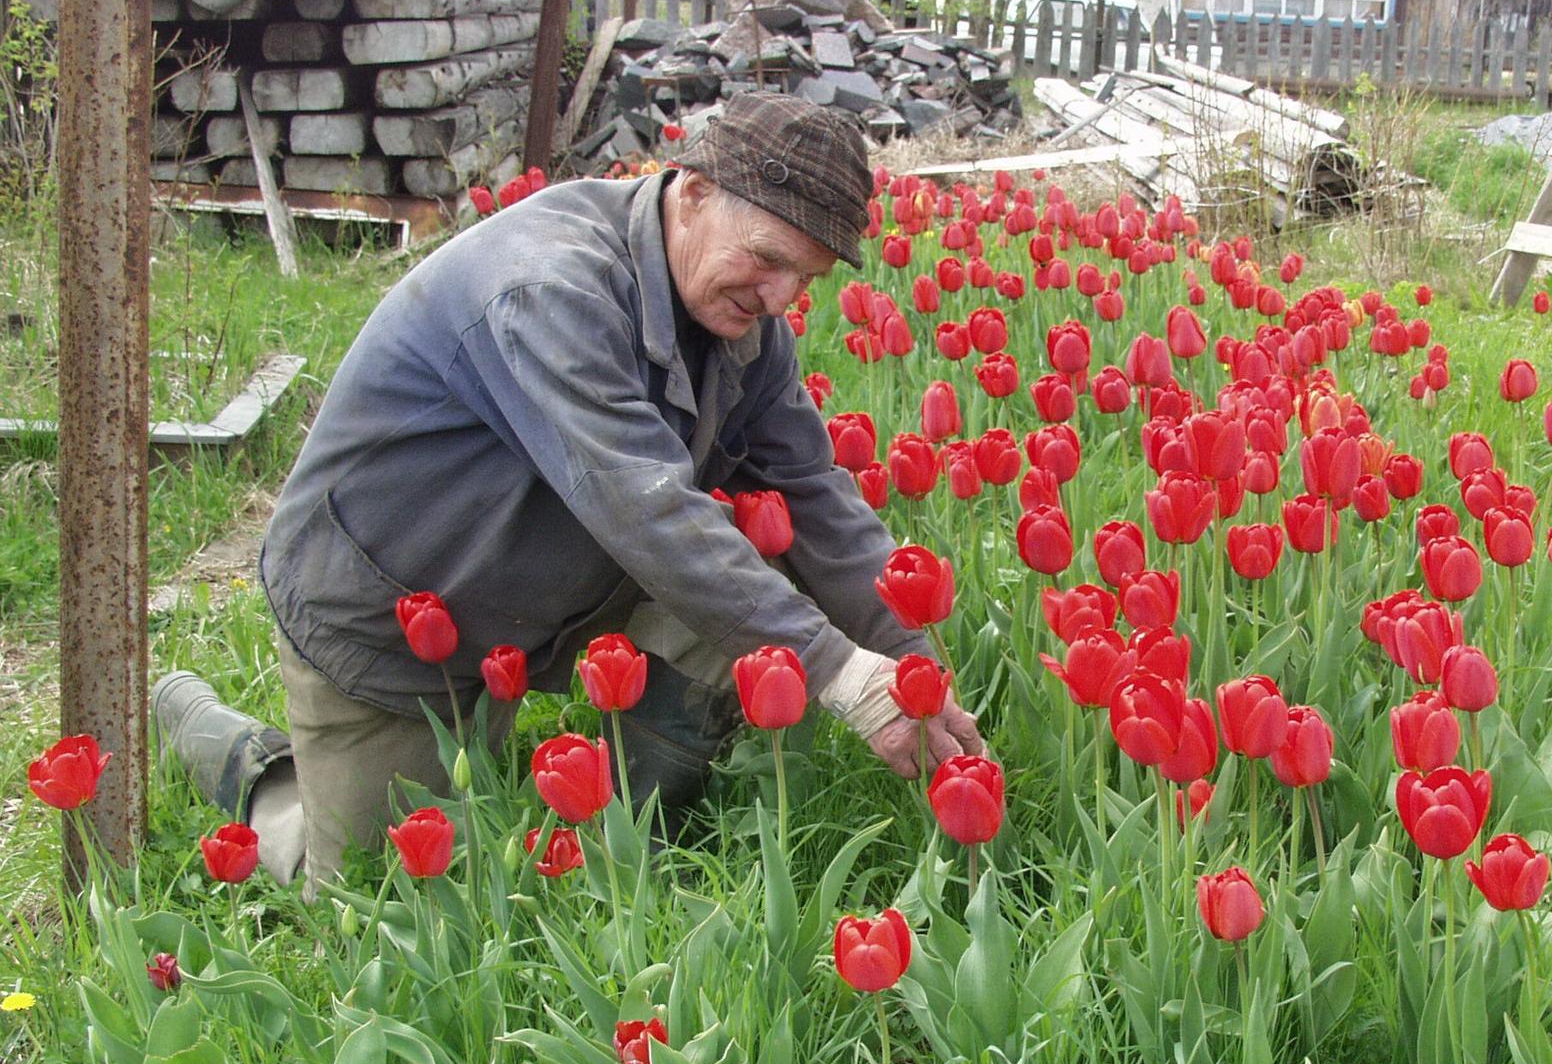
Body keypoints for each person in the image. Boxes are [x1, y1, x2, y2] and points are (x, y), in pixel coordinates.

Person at [154, 92, 983, 889]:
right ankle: (246, 763)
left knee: (764, 574)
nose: (780, 300)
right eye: (767, 260)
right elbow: (645, 507)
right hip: (393, 610)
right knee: (382, 893)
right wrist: (841, 673)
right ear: (691, 193)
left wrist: (909, 665)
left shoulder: (742, 320)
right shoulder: (549, 286)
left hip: (552, 585)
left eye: (805, 277)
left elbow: (810, 492)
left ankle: (623, 831)